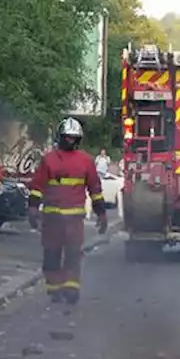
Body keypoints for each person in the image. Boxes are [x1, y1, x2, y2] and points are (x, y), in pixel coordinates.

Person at [28, 117, 107, 305]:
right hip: (52, 218)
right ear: (61, 137)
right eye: (67, 137)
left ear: (78, 139)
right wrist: (32, 208)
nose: (70, 141)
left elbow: (95, 190)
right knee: (52, 255)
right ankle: (54, 288)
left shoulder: (86, 161)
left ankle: (71, 287)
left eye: (74, 138)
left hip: (74, 219)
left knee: (73, 254)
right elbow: (37, 186)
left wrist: (102, 214)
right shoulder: (49, 160)